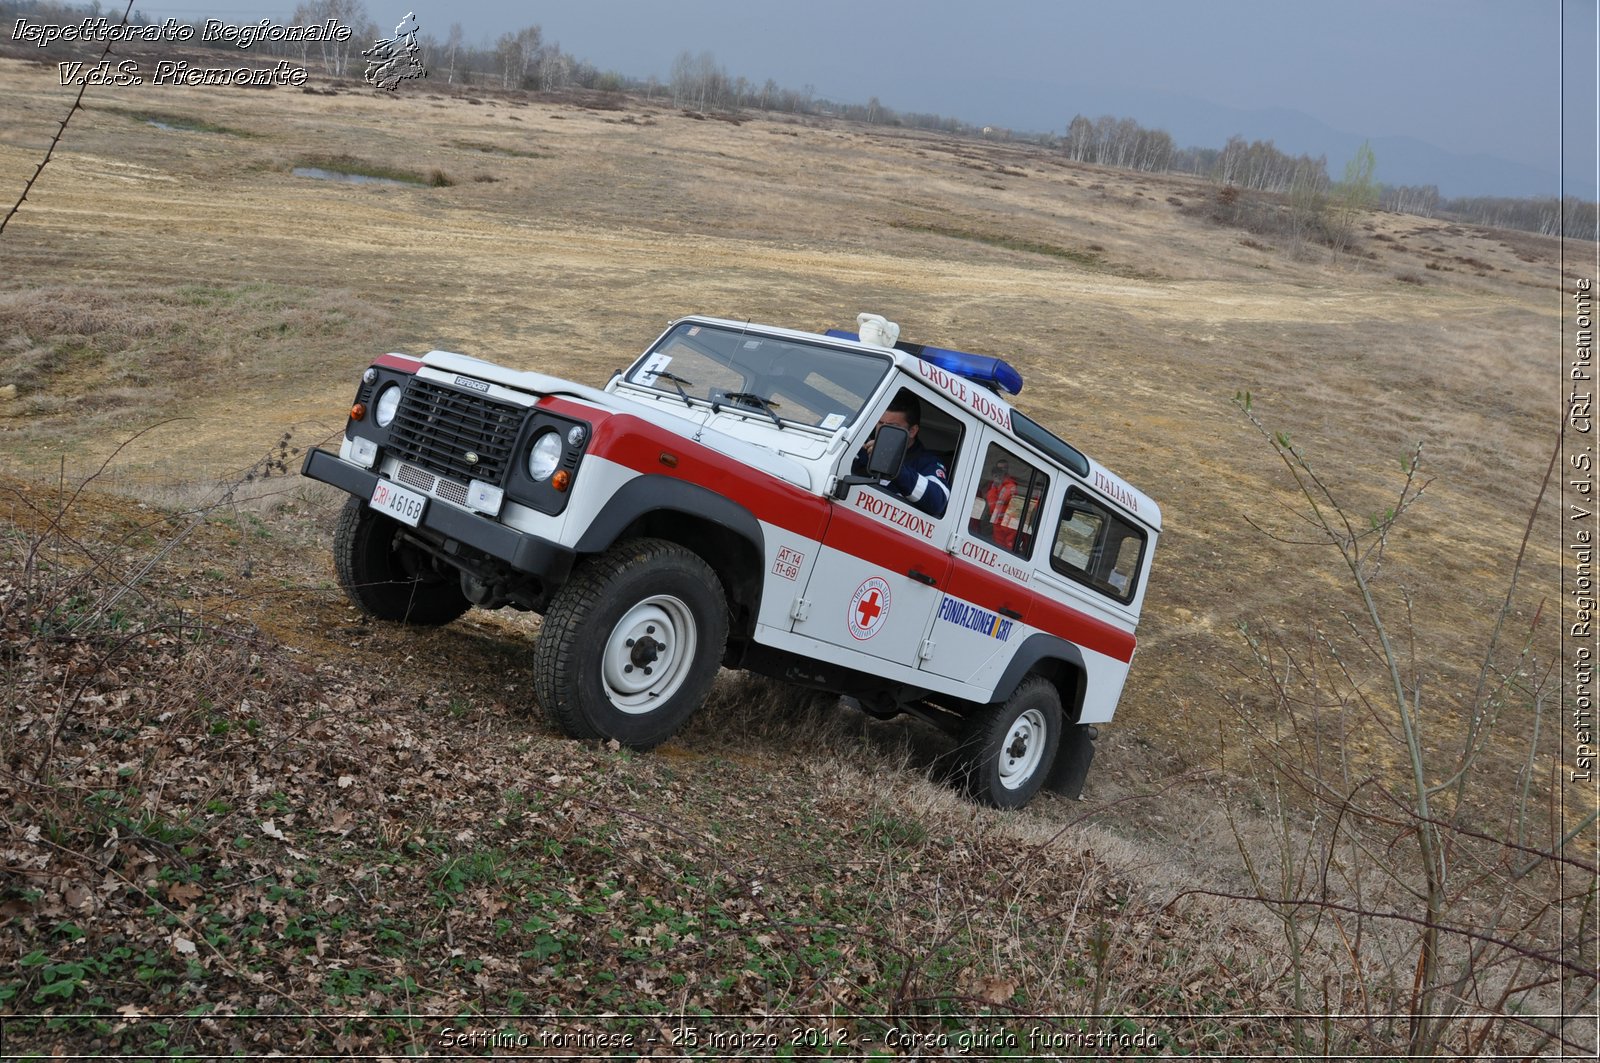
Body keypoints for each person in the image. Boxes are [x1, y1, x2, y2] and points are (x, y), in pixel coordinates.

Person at [853, 390, 949, 518]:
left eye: (892, 426)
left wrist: (894, 466)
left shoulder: (927, 462)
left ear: (912, 431)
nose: (882, 430)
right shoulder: (862, 443)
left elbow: (938, 502)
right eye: (880, 423)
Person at [975, 458, 1019, 549]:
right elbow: (991, 507)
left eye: (1004, 469)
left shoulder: (1010, 487)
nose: (1001, 472)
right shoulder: (991, 487)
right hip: (993, 525)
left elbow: (1008, 508)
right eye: (999, 469)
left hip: (1005, 527)